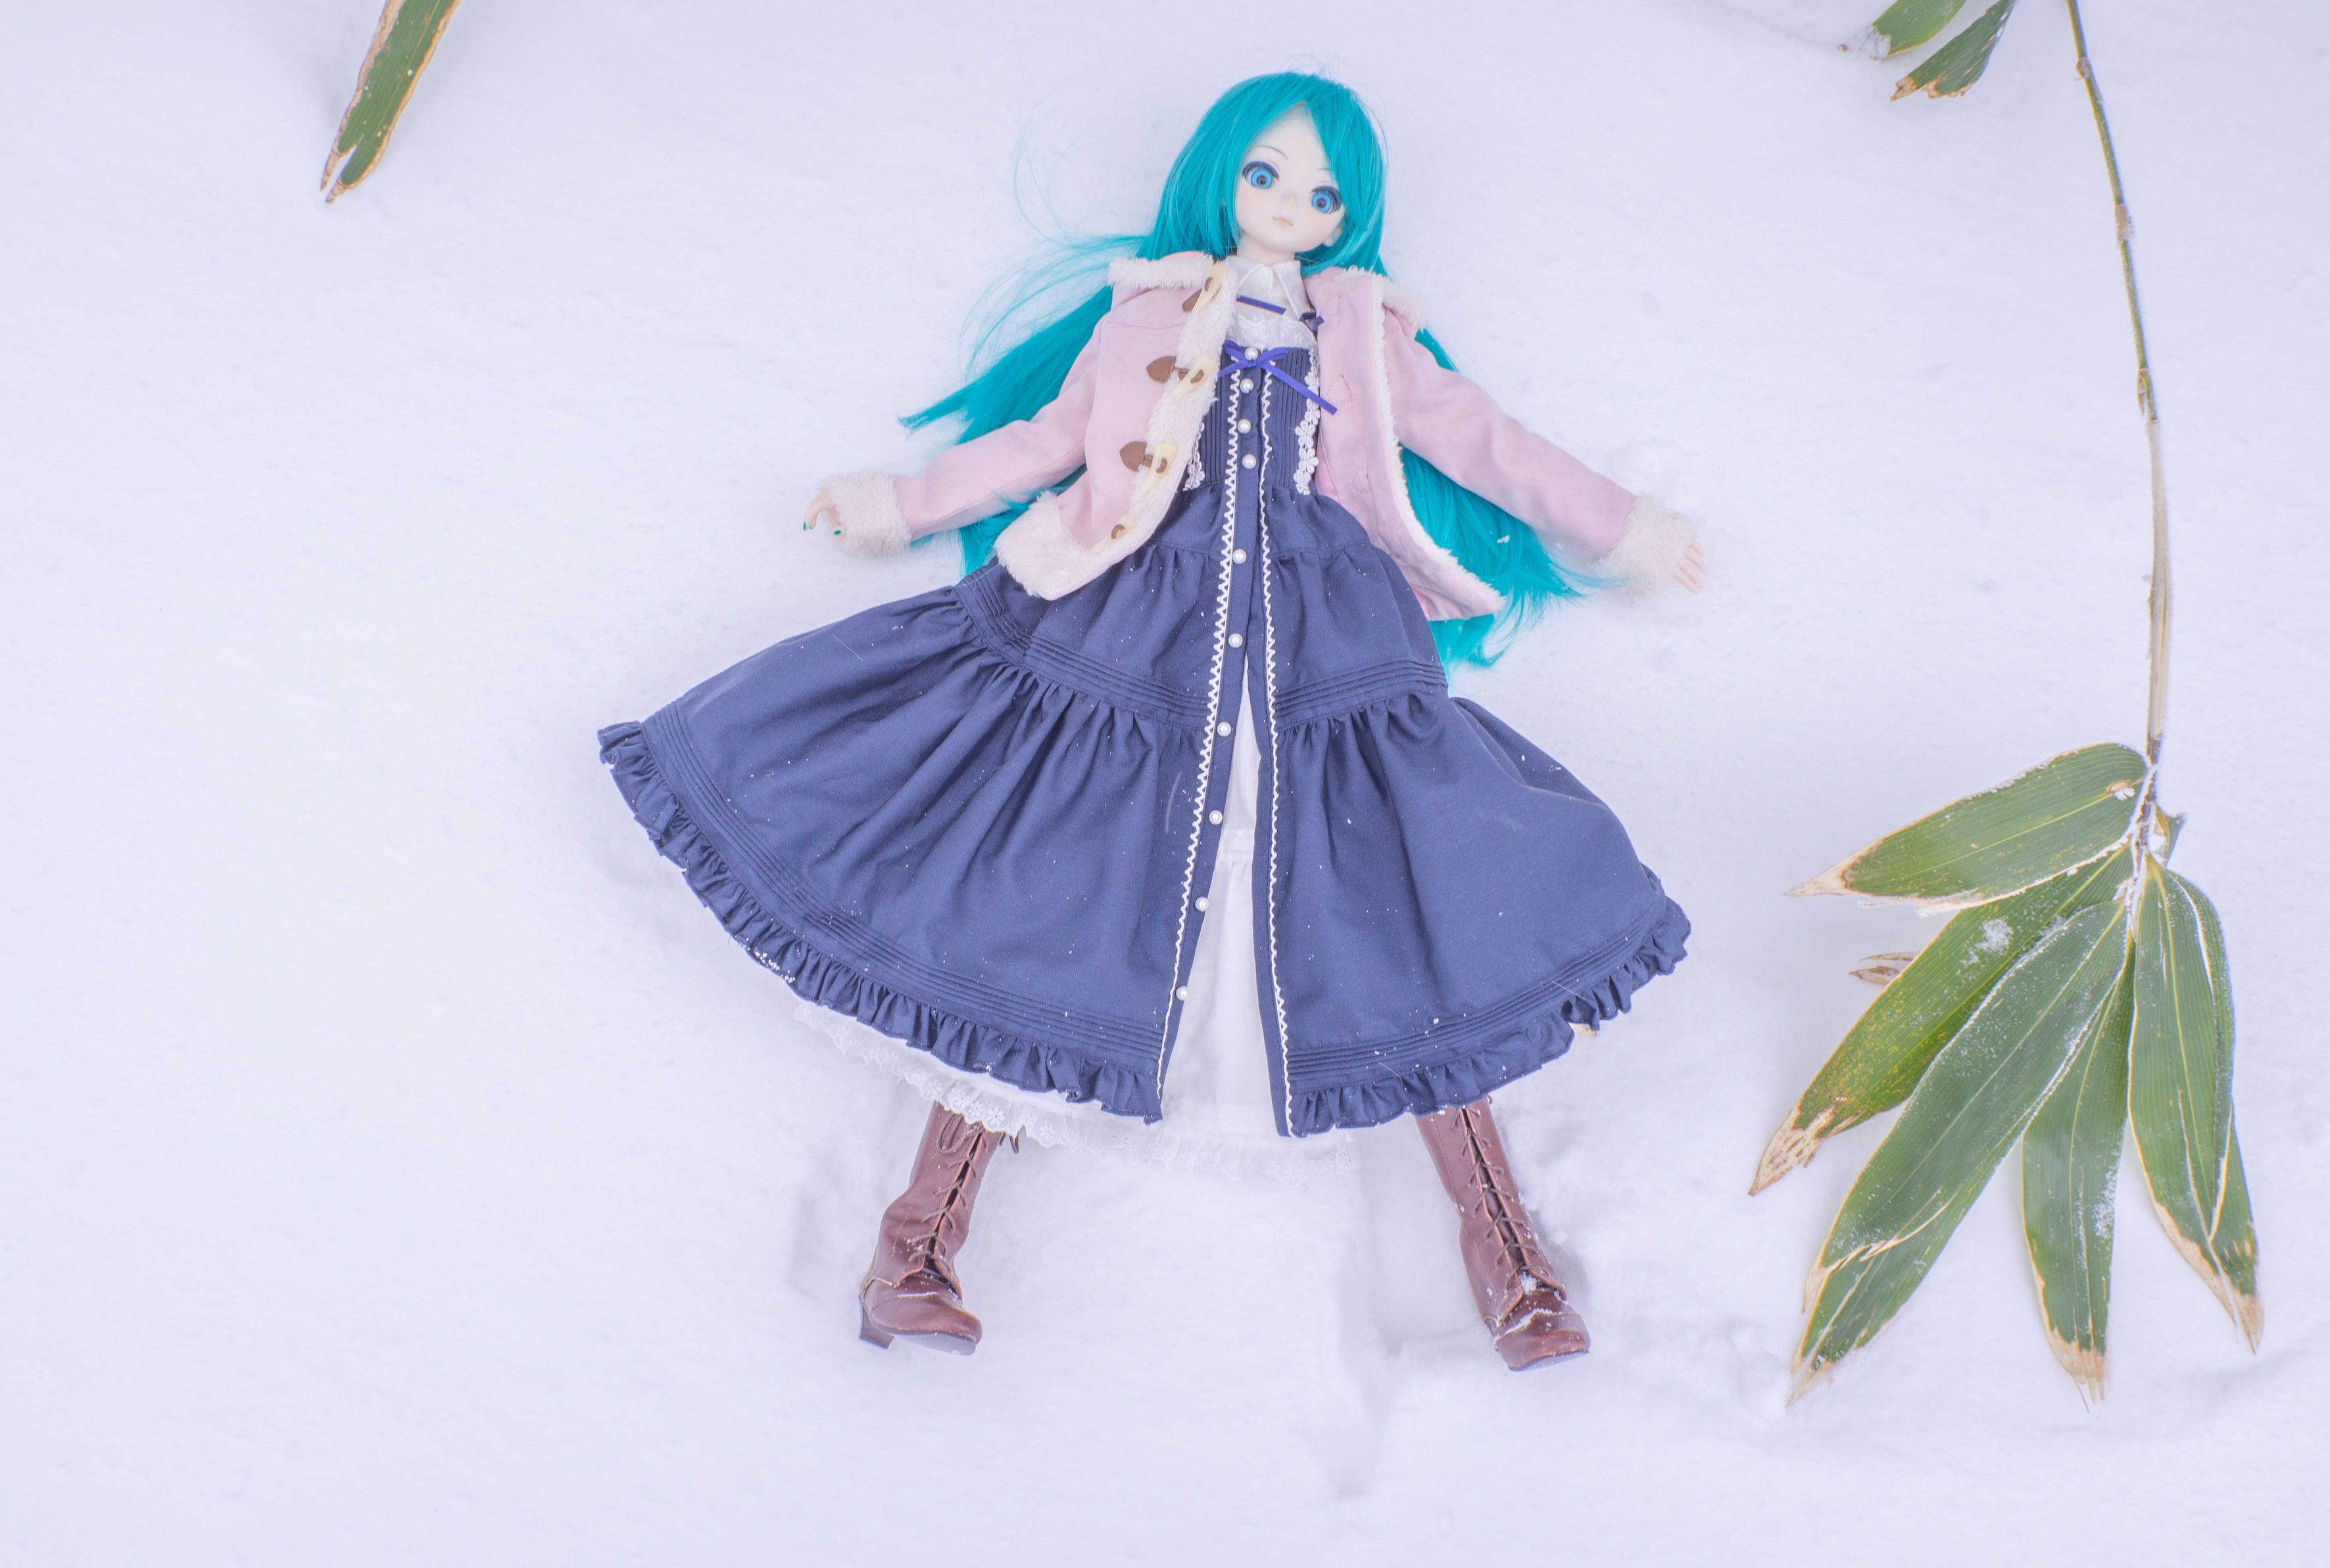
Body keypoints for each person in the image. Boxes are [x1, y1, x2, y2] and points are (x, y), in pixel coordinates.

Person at [599, 72, 1704, 1371]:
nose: (1289, 205)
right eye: (1265, 175)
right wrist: (900, 502)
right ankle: (915, 1246)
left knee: (1404, 917)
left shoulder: (1366, 332)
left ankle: (1510, 1259)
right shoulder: (1147, 315)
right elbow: (1046, 441)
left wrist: (1623, 526)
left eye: (1322, 192)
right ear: (1217, 174)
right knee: (1046, 900)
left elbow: (1487, 444)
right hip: (1128, 632)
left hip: (1322, 651)